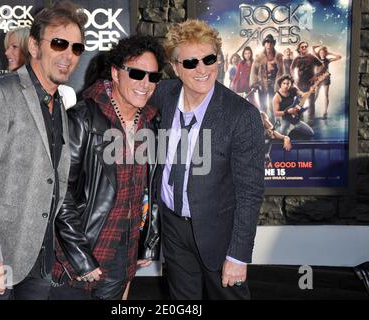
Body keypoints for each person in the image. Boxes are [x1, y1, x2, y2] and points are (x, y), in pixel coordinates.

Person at [0, 0, 85, 300]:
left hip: (38, 256)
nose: (68, 55)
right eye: (59, 43)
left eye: (76, 48)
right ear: (34, 46)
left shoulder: (57, 103)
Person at [149, 19, 265, 300]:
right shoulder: (161, 94)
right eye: (190, 63)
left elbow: (250, 192)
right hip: (173, 227)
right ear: (175, 67)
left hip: (219, 234)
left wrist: (238, 255)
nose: (202, 69)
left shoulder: (241, 115)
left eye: (209, 59)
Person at [51, 35, 165, 300]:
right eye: (137, 74)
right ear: (115, 73)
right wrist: (81, 257)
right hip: (79, 256)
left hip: (122, 259)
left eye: (153, 77)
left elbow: (150, 189)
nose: (145, 84)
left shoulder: (151, 122)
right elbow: (60, 191)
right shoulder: (82, 118)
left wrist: (147, 242)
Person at [250, 34, 284, 121]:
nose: (269, 45)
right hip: (262, 84)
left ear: (273, 44)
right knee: (263, 105)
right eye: (267, 42)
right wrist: (254, 84)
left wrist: (282, 85)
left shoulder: (279, 56)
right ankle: (264, 123)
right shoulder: (259, 57)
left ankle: (273, 122)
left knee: (274, 104)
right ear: (264, 44)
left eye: (271, 43)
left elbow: (282, 72)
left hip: (275, 84)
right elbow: (254, 71)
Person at [290, 41, 323, 127]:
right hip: (300, 83)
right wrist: (294, 77)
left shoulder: (311, 57)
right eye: (302, 47)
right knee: (300, 102)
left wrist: (316, 75)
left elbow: (321, 65)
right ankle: (301, 120)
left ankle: (311, 120)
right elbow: (291, 69)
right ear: (299, 49)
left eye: (305, 46)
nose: (304, 48)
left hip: (310, 83)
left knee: (311, 102)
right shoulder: (296, 58)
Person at [313, 45, 341, 119]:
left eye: (324, 52)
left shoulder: (327, 60)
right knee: (315, 94)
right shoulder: (317, 58)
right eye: (321, 52)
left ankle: (325, 112)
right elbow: (313, 49)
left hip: (325, 78)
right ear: (319, 53)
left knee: (326, 95)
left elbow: (339, 57)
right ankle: (311, 110)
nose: (322, 53)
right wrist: (318, 47)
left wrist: (329, 53)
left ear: (325, 53)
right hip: (318, 78)